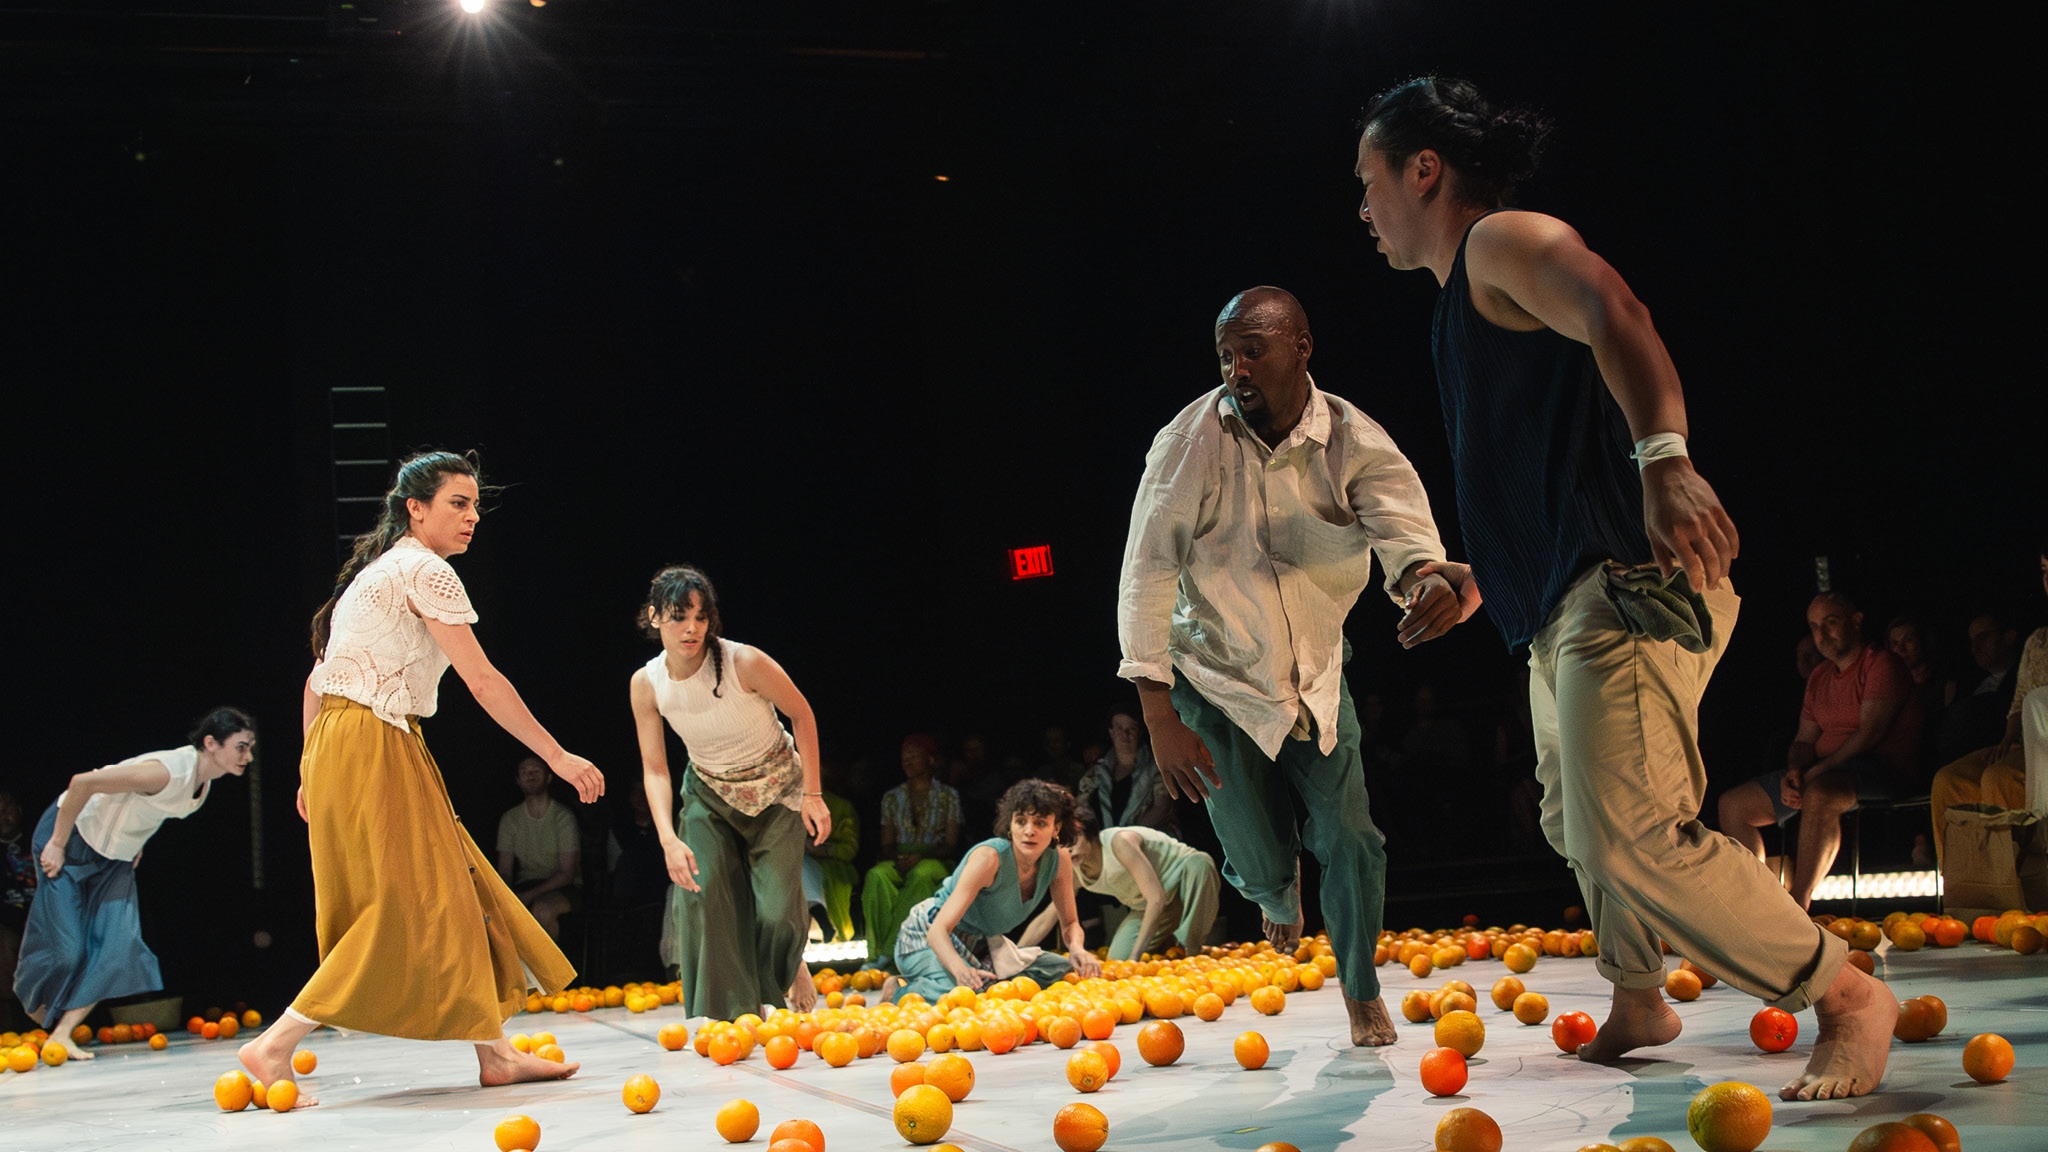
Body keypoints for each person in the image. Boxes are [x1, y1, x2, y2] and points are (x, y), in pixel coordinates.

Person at [1353, 75, 1896, 1099]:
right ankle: (1638, 994)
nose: (1361, 209)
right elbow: (1546, 465)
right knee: (1571, 821)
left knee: (1628, 824)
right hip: (1557, 600)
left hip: (1625, 588)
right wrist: (1482, 577)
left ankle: (1843, 993)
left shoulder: (1499, 239)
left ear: (1422, 170)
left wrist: (1663, 456)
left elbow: (1613, 306)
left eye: (1366, 181)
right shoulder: (1454, 314)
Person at [1117, 285, 1473, 1047]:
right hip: (1214, 677)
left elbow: (1405, 532)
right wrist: (1158, 714)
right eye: (1224, 356)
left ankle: (1359, 987)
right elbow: (1146, 570)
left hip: (1315, 674)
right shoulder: (1188, 446)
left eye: (1252, 350)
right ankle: (1278, 891)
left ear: (1301, 349)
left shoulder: (1352, 439)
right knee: (1255, 851)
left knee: (1351, 836)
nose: (1236, 369)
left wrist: (1425, 581)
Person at [238, 450, 606, 1103]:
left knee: (455, 888)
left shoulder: (376, 573)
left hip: (348, 741)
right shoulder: (424, 571)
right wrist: (557, 756)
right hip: (373, 741)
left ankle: (494, 1053)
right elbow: (484, 681)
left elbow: (313, 681)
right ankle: (273, 1045)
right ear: (416, 508)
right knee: (398, 907)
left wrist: (308, 765)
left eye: (475, 506)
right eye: (457, 504)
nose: (471, 517)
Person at [629, 564, 831, 1022]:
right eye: (680, 616)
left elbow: (802, 715)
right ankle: (726, 1019)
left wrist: (814, 794)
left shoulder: (745, 662)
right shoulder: (646, 684)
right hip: (709, 794)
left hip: (777, 791)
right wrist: (667, 838)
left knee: (779, 912)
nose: (692, 628)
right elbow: (656, 770)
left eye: (701, 617)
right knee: (703, 895)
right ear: (655, 615)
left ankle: (789, 962)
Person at [11, 709, 254, 1054]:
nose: (249, 756)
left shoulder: (202, 785)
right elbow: (83, 783)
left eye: (249, 747)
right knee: (68, 949)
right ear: (211, 744)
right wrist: (58, 842)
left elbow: (153, 811)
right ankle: (30, 995)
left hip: (115, 859)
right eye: (241, 747)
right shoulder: (164, 772)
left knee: (119, 947)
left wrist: (137, 844)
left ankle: (62, 1034)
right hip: (73, 837)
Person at [1718, 593, 1921, 908]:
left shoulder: (1881, 664)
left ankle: (1799, 904)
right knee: (1733, 805)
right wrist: (1796, 772)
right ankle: (1760, 904)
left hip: (1879, 768)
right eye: (1814, 627)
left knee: (1821, 793)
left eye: (1831, 623)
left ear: (1856, 621)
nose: (1822, 636)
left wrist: (1816, 773)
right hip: (1822, 770)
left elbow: (1869, 734)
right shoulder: (1819, 676)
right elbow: (1804, 738)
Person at [886, 779, 1102, 1001]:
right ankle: (899, 990)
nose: (1029, 831)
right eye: (1021, 821)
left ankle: (975, 978)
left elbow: (1070, 923)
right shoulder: (988, 859)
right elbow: (937, 931)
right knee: (965, 996)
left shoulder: (1059, 858)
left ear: (1055, 828)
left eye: (1040, 823)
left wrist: (1077, 948)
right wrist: (961, 971)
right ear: (1010, 825)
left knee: (1062, 971)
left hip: (980, 941)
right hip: (927, 936)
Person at [1929, 547, 2047, 855]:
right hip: (2028, 743)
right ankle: (1963, 886)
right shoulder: (2039, 641)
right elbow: (2021, 698)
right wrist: (2008, 737)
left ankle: (2014, 882)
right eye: (2046, 572)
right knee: (1949, 780)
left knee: (2001, 777)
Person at [1019, 809, 1220, 961]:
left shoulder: (1120, 842)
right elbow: (1048, 916)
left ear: (1088, 834)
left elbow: (1156, 898)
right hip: (1149, 907)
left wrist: (1135, 957)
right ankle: (1169, 945)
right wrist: (1015, 955)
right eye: (1061, 845)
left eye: (1073, 841)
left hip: (1182, 882)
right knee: (1117, 960)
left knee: (1199, 863)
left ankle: (1192, 951)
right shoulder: (1074, 868)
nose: (1068, 851)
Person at [863, 734, 963, 967]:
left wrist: (921, 856)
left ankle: (893, 951)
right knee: (877, 875)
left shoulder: (948, 796)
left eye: (914, 757)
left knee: (923, 875)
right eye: (904, 757)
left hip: (934, 857)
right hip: (899, 856)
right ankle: (876, 953)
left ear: (931, 760)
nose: (907, 762)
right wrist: (897, 857)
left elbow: (950, 844)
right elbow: (886, 843)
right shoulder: (892, 797)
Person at [496, 756, 582, 941]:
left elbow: (566, 873)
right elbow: (504, 871)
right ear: (518, 780)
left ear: (548, 777)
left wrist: (528, 896)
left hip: (564, 887)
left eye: (535, 771)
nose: (530, 776)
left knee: (542, 909)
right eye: (524, 772)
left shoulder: (563, 818)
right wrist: (505, 898)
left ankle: (549, 970)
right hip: (526, 884)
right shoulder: (510, 819)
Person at [1074, 711, 1177, 835]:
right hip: (1102, 844)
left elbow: (1162, 807)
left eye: (1131, 729)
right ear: (1111, 732)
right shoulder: (1096, 773)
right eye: (1119, 728)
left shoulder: (1157, 769)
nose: (1125, 734)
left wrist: (1124, 837)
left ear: (1139, 732)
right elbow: (1080, 807)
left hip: (1148, 842)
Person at [801, 765, 859, 943]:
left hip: (833, 864)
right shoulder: (788, 806)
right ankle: (817, 915)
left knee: (805, 867)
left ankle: (821, 917)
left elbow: (849, 848)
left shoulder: (840, 806)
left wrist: (823, 850)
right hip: (796, 863)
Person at [1, 790, 35, 1030]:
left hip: (45, 919)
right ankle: (10, 1028)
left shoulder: (40, 839)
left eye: (6, 808)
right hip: (9, 925)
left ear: (19, 810)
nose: (2, 816)